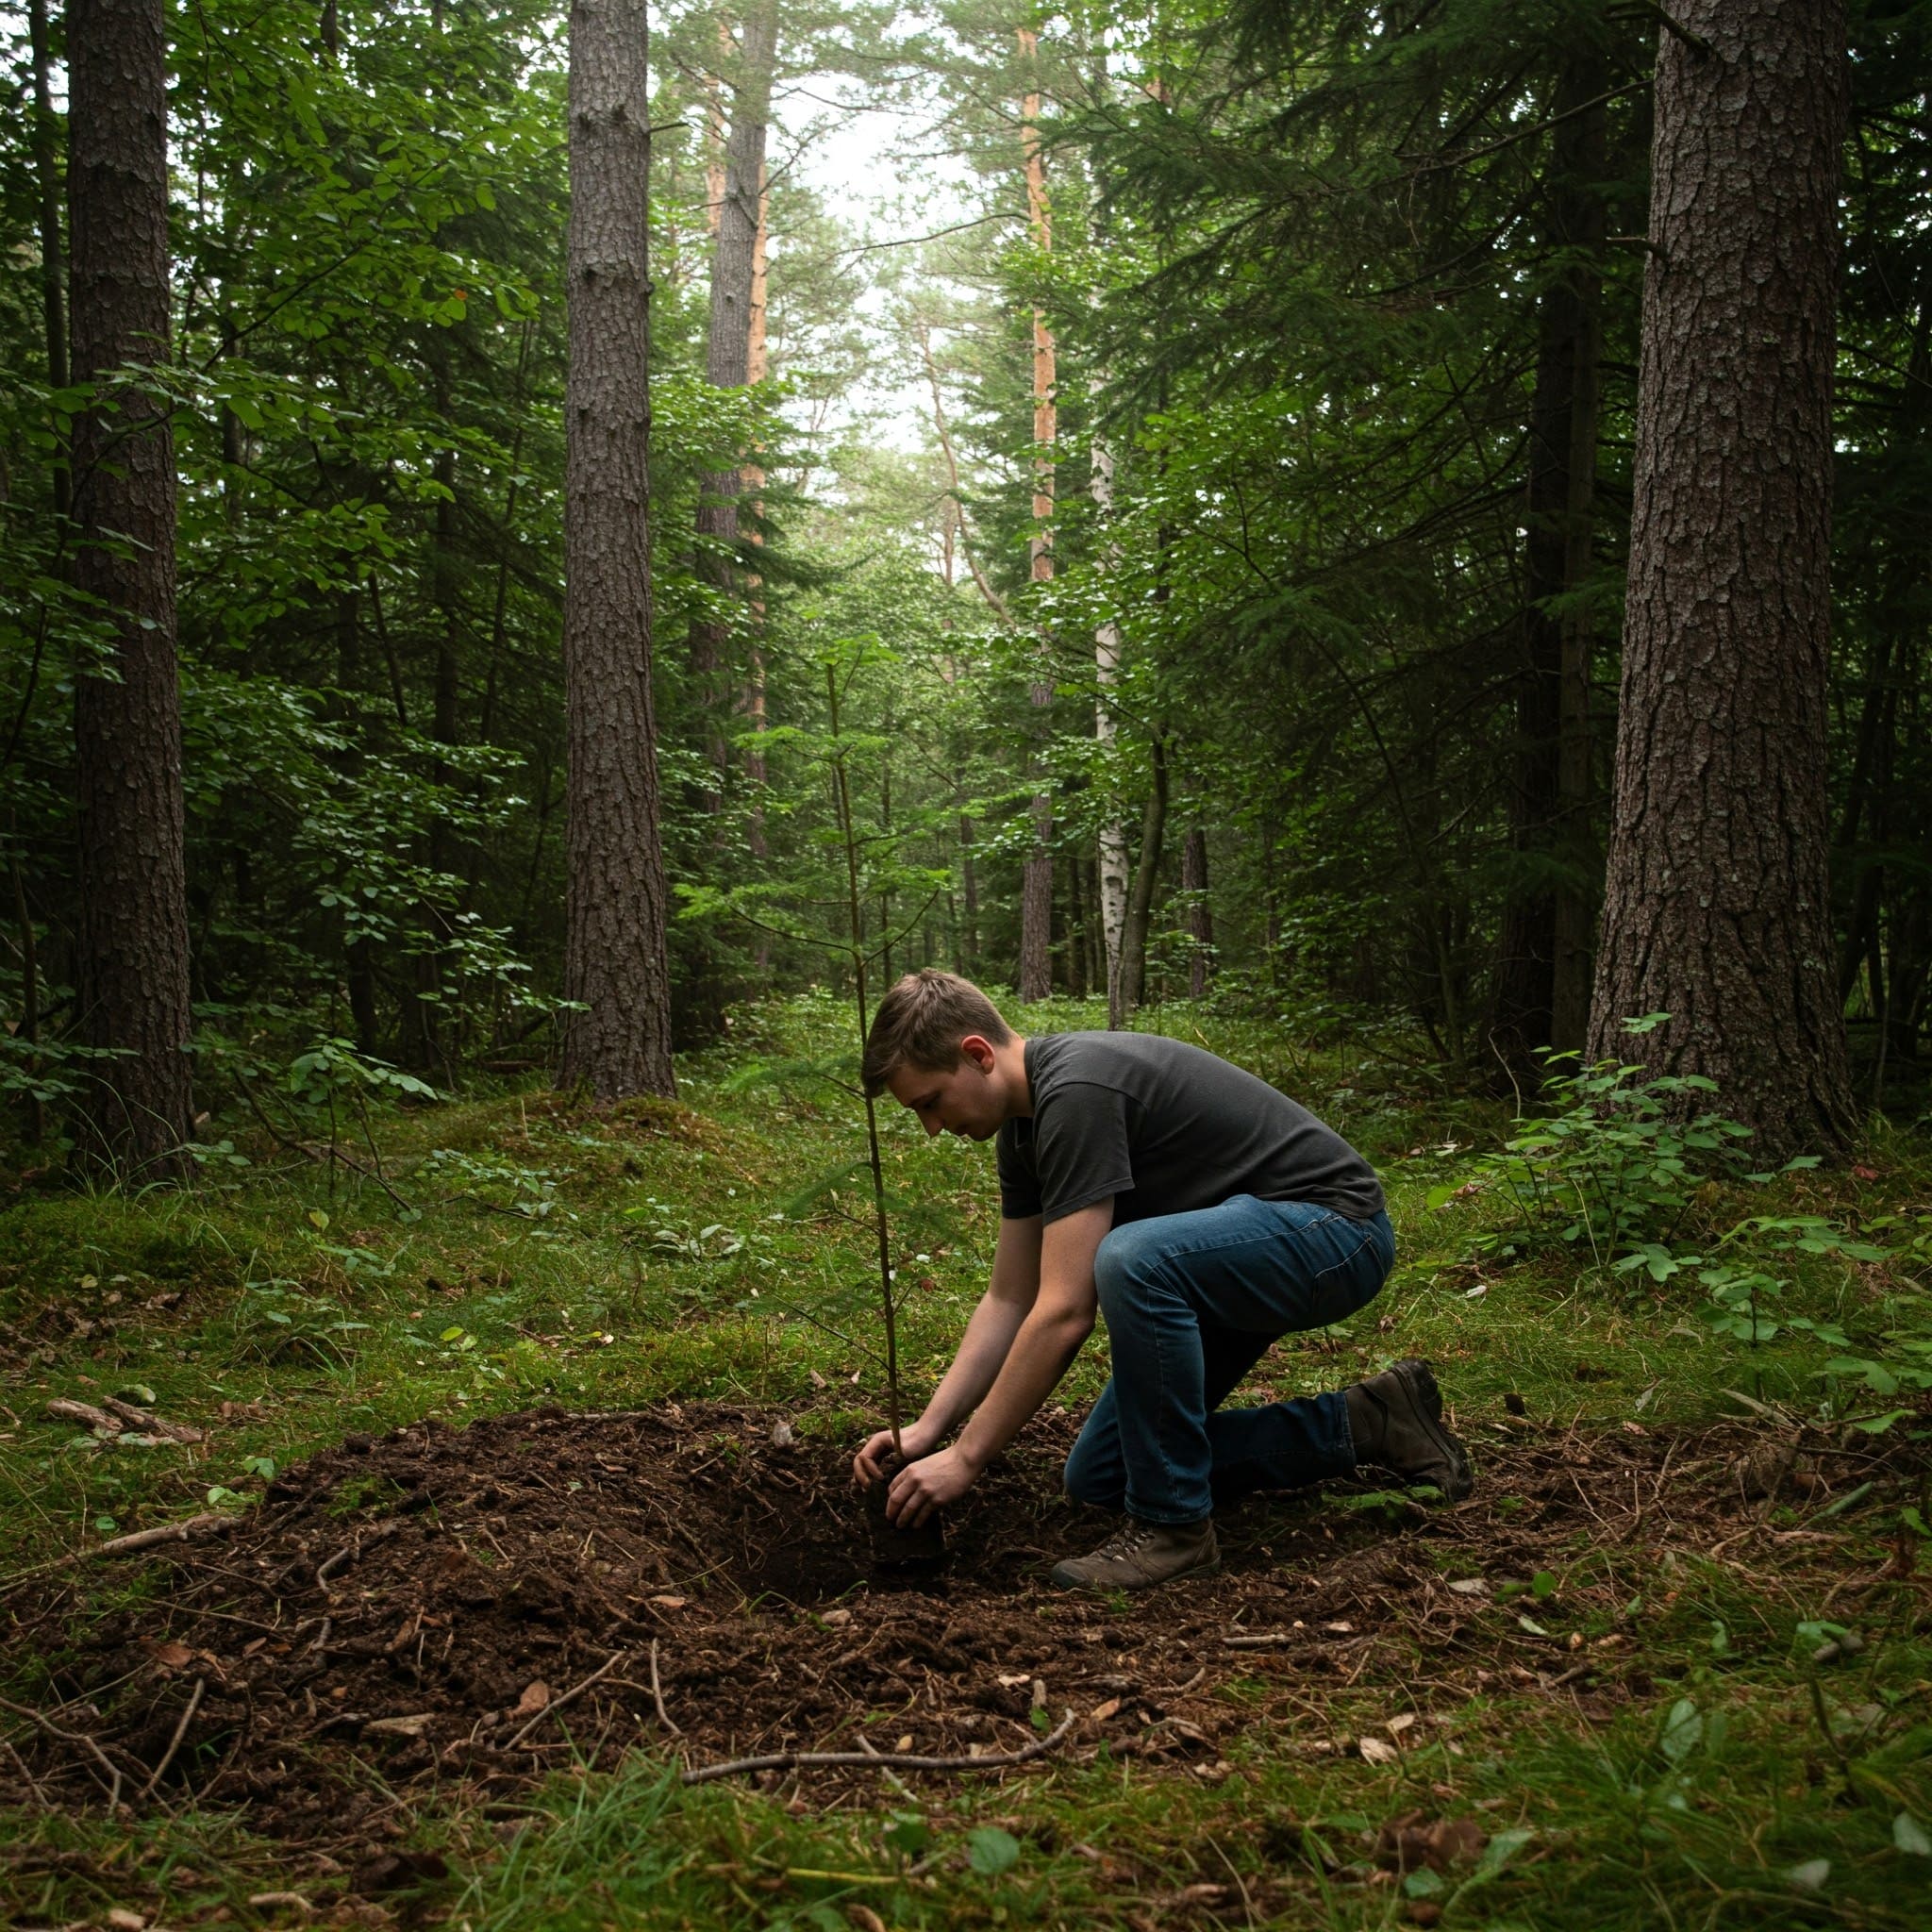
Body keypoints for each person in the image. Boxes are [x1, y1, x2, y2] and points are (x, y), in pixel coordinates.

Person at [851, 968, 1472, 1591]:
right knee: (1103, 1474)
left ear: (977, 1053)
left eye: (930, 1102)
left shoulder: (1077, 1091)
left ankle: (1174, 1530)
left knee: (1132, 1259)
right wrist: (931, 1430)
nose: (932, 1128)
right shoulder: (1024, 1130)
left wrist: (967, 1458)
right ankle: (1371, 1420)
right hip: (1232, 1263)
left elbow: (1065, 1311)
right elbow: (1010, 1298)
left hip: (1335, 1233)